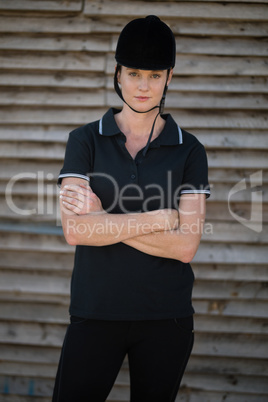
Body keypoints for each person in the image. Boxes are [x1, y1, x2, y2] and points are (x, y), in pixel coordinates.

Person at [52, 15, 210, 402]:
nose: (143, 85)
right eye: (134, 72)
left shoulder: (190, 150)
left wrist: (103, 221)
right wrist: (158, 220)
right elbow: (76, 231)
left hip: (166, 317)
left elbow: (186, 247)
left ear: (169, 77)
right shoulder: (84, 140)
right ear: (118, 74)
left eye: (154, 75)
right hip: (95, 311)